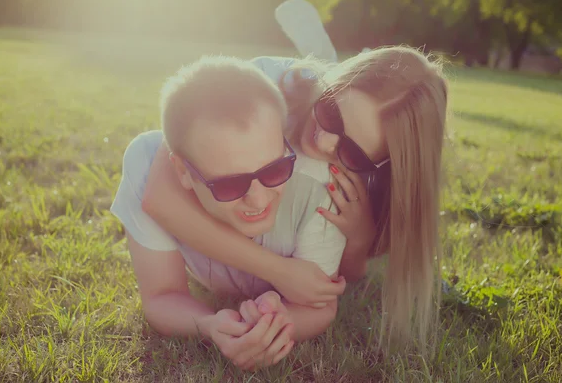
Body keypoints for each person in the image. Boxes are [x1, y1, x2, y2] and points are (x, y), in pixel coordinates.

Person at [141, 45, 449, 348]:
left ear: (381, 167)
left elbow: (342, 280)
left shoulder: (352, 186)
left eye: (351, 152)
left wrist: (358, 240)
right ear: (331, 83)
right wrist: (277, 270)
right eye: (330, 112)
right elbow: (158, 195)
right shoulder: (264, 84)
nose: (324, 140)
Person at [110, 55, 347, 370]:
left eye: (274, 169)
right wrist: (209, 325)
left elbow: (321, 304)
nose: (258, 199)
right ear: (182, 171)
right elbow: (161, 295)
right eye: (229, 185)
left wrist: (278, 325)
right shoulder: (144, 165)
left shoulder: (319, 182)